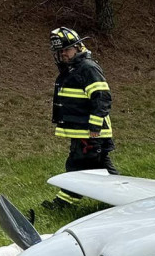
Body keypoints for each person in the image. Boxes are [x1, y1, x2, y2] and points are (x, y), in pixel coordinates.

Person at [44, 26, 117, 209]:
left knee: (77, 166)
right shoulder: (72, 69)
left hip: (91, 132)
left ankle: (64, 204)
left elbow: (102, 97)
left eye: (66, 50)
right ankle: (122, 200)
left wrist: (94, 128)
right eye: (60, 52)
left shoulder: (87, 68)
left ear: (78, 47)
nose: (63, 55)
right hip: (82, 131)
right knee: (99, 168)